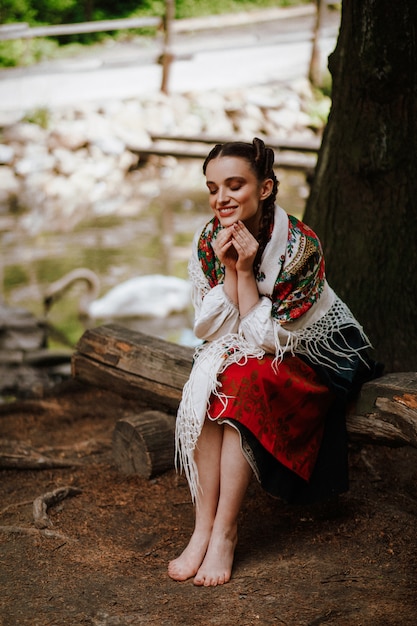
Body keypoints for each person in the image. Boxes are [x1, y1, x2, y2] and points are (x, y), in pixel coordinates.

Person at [168, 137, 379, 587]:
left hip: (313, 354)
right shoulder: (210, 237)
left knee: (241, 377)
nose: (221, 198)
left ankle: (225, 532)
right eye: (212, 188)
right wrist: (229, 269)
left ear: (264, 189)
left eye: (234, 185)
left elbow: (268, 342)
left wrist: (247, 272)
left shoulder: (300, 245)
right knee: (211, 380)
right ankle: (202, 527)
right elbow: (209, 329)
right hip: (254, 350)